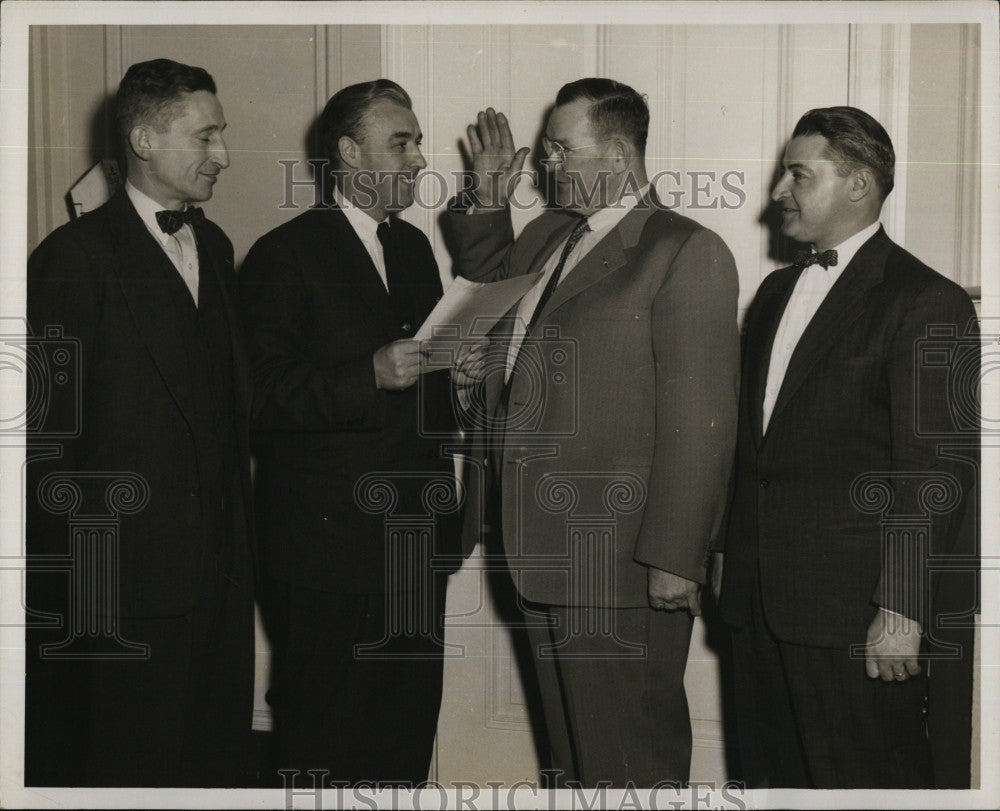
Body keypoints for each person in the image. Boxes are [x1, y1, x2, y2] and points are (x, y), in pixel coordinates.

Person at [446, 78, 740, 786]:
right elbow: (487, 270)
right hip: (540, 550)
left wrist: (677, 557)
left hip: (621, 563)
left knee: (629, 762)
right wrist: (486, 194)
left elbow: (703, 421)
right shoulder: (551, 234)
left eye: (560, 148)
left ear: (617, 151)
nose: (545, 163)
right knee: (575, 766)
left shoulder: (683, 250)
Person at [717, 106, 979, 789]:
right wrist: (726, 556)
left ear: (859, 185)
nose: (778, 192)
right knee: (769, 784)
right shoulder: (774, 293)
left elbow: (934, 471)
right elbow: (756, 450)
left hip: (855, 619)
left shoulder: (927, 300)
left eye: (798, 175)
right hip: (758, 611)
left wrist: (902, 609)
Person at [25, 58, 255, 786]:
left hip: (219, 579)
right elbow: (43, 448)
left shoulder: (214, 247)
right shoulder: (71, 259)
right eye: (206, 136)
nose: (222, 154)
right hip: (122, 592)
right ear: (145, 140)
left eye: (222, 135)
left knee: (211, 767)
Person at [239, 79, 464, 786]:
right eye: (402, 142)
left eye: (418, 142)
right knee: (324, 731)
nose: (419, 158)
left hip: (413, 541)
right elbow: (258, 397)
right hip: (325, 553)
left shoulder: (416, 250)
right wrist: (366, 372)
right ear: (346, 151)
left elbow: (423, 389)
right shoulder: (284, 254)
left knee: (405, 727)